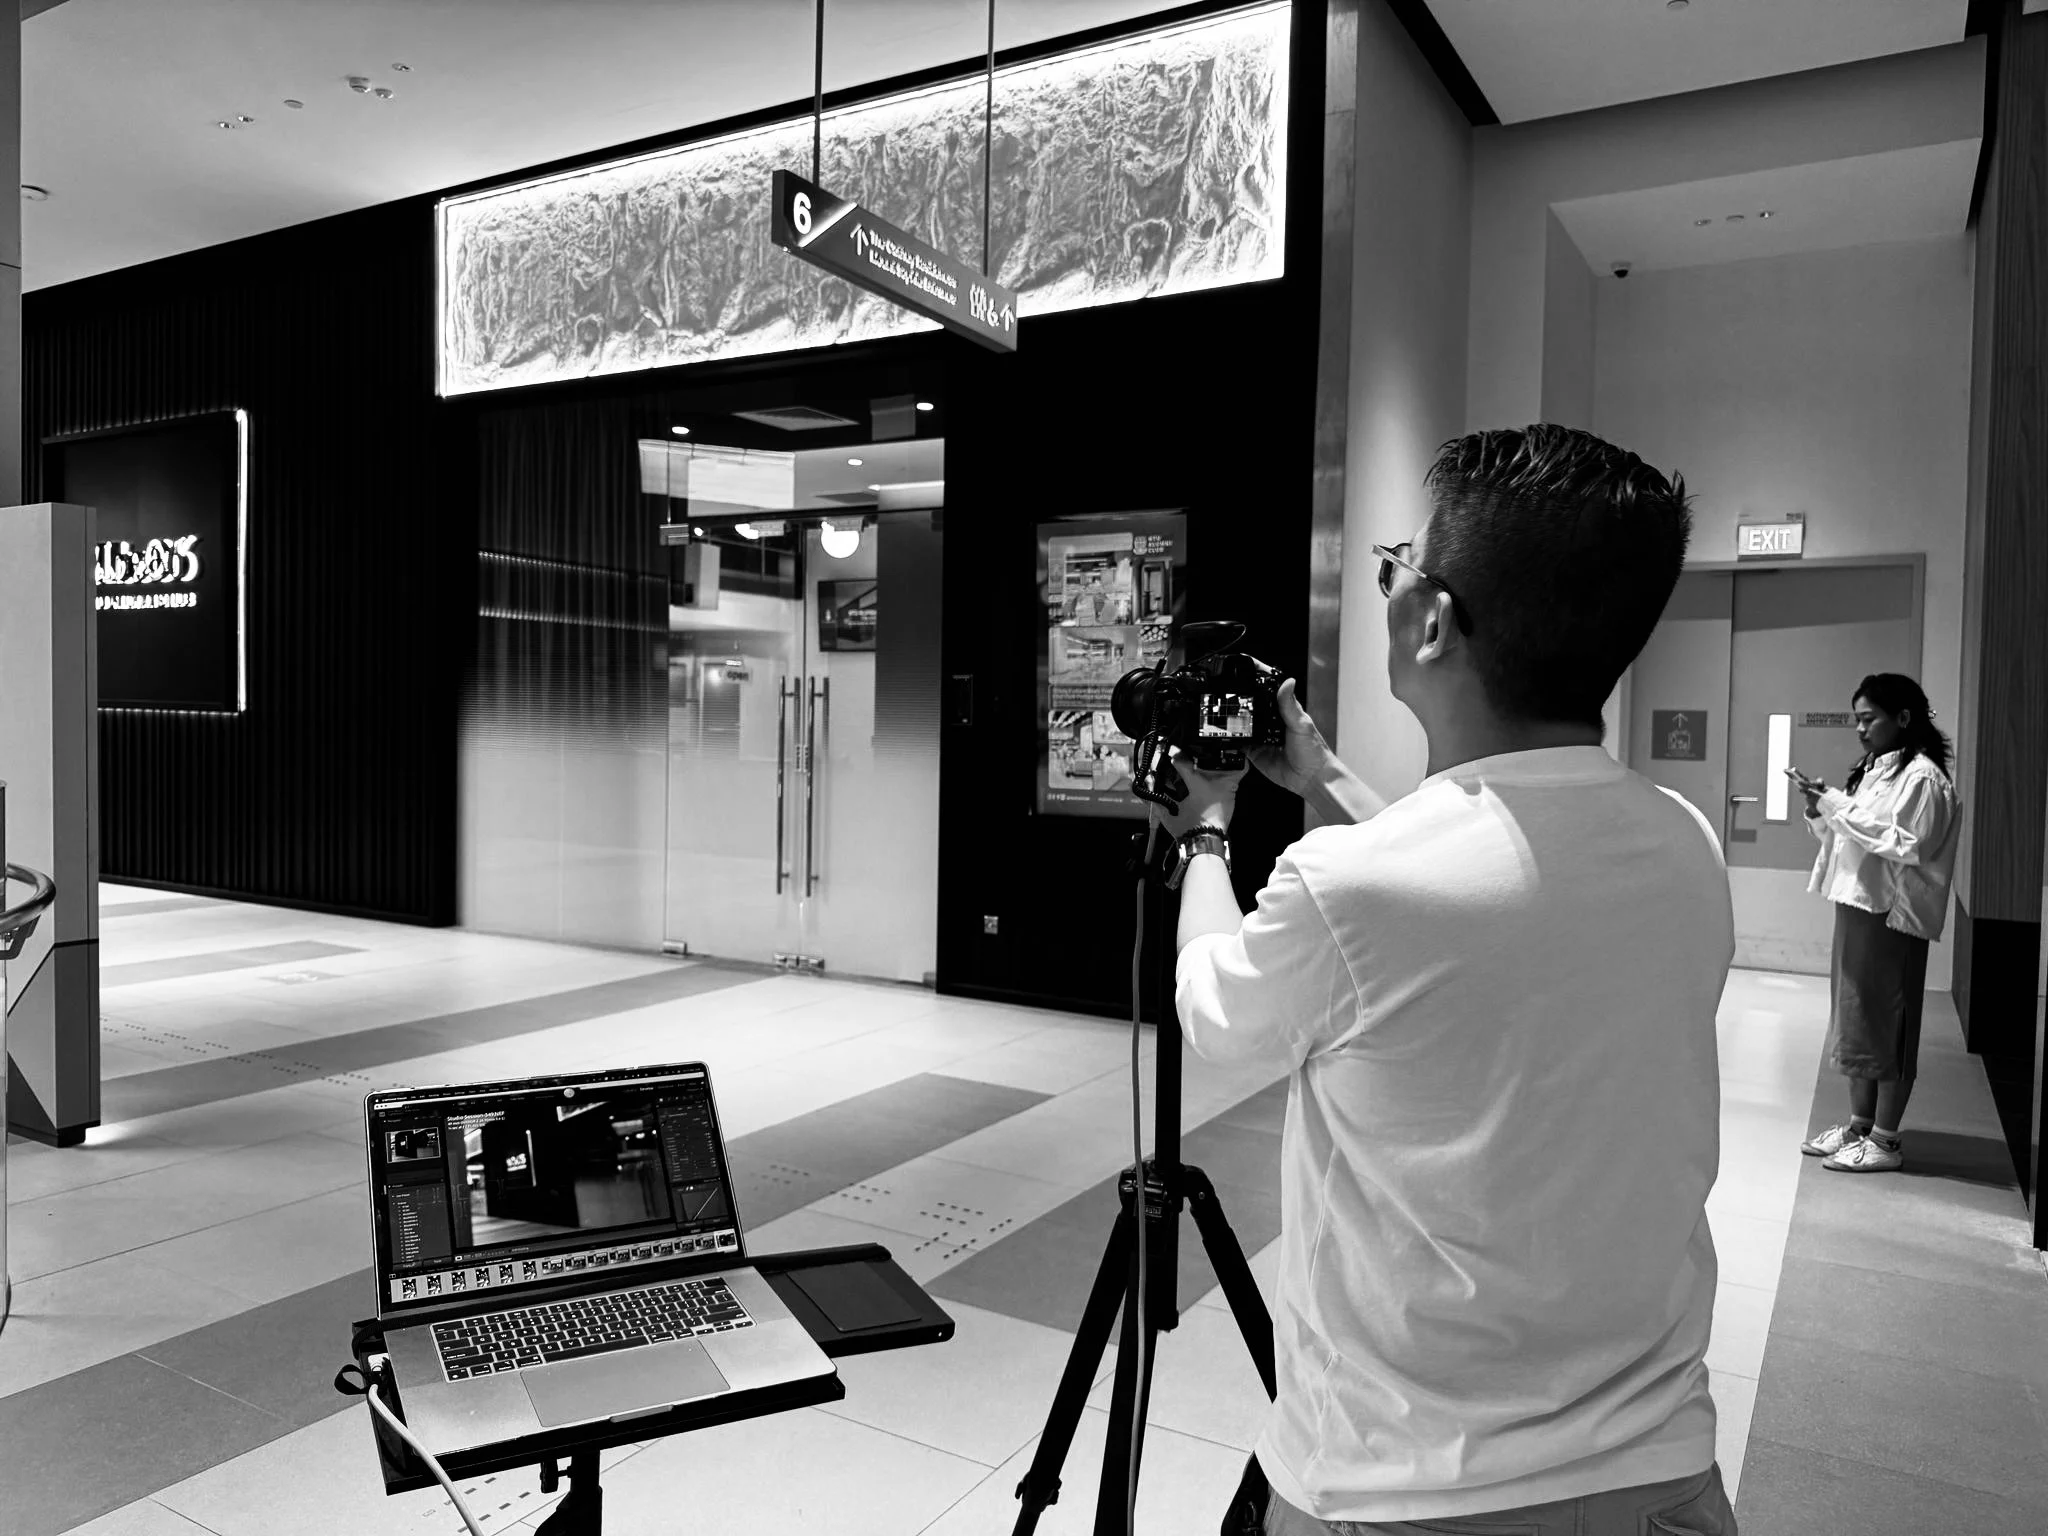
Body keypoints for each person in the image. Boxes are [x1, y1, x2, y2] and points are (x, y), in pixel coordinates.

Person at [1159, 426, 1739, 1536]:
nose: (1386, 586)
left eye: (1394, 566)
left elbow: (1215, 1013)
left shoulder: (1347, 887)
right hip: (1660, 1474)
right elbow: (1482, 897)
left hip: (1407, 1491)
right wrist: (1320, 772)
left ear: (1430, 621)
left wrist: (1203, 836)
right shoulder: (1681, 843)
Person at [1787, 675, 1959, 1174]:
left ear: (1903, 718)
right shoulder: (1874, 770)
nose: (1860, 730)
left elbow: (1906, 843)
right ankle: (1860, 1124)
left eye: (1869, 719)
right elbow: (1850, 837)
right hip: (1856, 905)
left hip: (1893, 915)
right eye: (1857, 719)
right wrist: (1819, 808)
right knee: (1855, 1017)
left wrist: (1836, 805)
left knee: (1888, 1021)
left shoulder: (1923, 779)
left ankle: (1885, 1138)